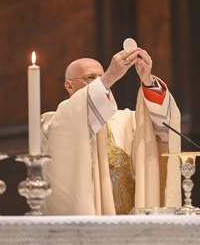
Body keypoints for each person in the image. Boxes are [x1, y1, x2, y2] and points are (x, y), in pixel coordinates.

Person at [41, 47, 182, 215]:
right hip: (89, 221)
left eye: (101, 77)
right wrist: (109, 76)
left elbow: (164, 130)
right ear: (69, 85)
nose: (100, 83)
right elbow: (72, 118)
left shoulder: (127, 119)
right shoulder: (53, 121)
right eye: (90, 78)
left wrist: (148, 82)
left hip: (131, 222)